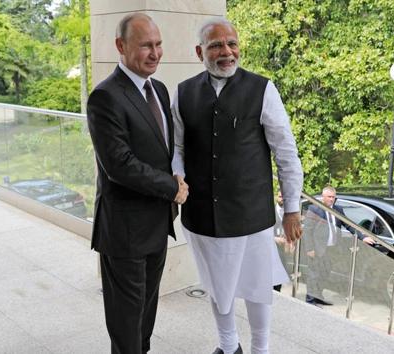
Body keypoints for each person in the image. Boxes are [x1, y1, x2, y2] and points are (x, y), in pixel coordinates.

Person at [171, 18, 303, 354]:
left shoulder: (262, 89)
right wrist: (177, 175)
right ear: (200, 51)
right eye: (216, 45)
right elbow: (178, 148)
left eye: (232, 43)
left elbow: (286, 152)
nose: (226, 52)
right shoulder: (183, 92)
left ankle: (261, 349)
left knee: (258, 286)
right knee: (218, 285)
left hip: (251, 214)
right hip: (202, 214)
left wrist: (292, 209)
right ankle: (228, 346)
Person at [86, 13, 189, 354]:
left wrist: (175, 178)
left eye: (158, 44)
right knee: (126, 326)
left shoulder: (158, 89)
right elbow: (120, 165)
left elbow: (162, 149)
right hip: (124, 231)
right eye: (146, 45)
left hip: (157, 225)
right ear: (121, 46)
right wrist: (170, 187)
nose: (155, 53)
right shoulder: (105, 97)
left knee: (145, 319)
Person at [302, 187, 375, 305]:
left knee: (325, 274)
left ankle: (318, 297)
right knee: (314, 275)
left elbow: (349, 225)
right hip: (318, 249)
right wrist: (309, 249)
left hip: (332, 249)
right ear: (323, 197)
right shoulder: (314, 209)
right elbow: (307, 231)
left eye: (333, 197)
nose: (331, 199)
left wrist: (363, 237)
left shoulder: (338, 210)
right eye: (329, 197)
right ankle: (310, 301)